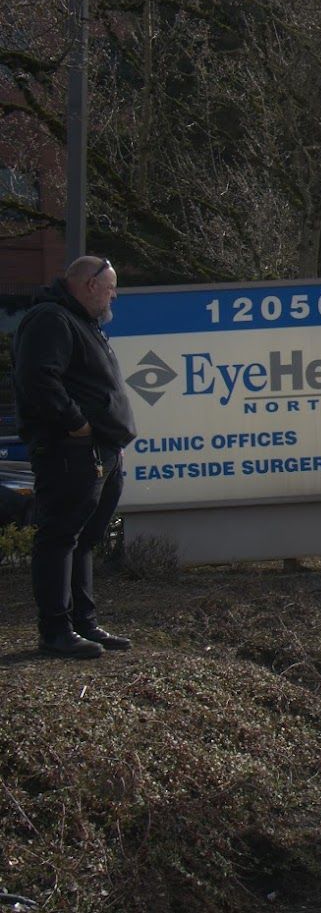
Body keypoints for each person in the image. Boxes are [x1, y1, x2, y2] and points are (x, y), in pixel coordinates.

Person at [13, 255, 137, 659]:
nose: (114, 294)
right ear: (89, 286)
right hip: (70, 453)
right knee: (60, 537)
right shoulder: (51, 319)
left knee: (84, 540)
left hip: (101, 451)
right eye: (110, 287)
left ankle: (84, 624)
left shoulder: (83, 322)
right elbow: (38, 379)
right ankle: (56, 630)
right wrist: (77, 425)